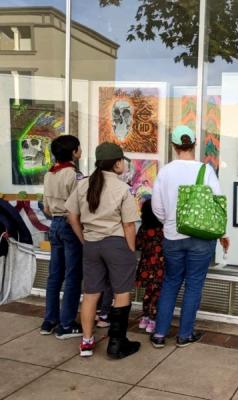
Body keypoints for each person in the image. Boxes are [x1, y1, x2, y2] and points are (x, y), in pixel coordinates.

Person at [149, 125, 229, 348]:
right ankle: (185, 334)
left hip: (173, 236)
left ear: (174, 146)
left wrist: (170, 223)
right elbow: (217, 203)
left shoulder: (165, 171)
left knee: (171, 282)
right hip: (201, 237)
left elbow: (157, 207)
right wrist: (222, 233)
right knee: (194, 284)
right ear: (194, 144)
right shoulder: (206, 170)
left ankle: (159, 334)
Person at [65, 142, 140, 359]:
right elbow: (129, 225)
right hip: (117, 244)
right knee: (121, 293)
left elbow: (71, 215)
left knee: (90, 294)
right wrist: (131, 250)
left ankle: (87, 342)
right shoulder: (123, 189)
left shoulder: (83, 184)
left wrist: (84, 238)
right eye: (122, 161)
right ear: (117, 164)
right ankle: (117, 344)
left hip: (91, 244)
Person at [40, 135, 84, 339]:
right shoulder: (74, 175)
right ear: (74, 152)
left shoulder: (49, 174)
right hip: (69, 225)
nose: (80, 151)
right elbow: (79, 206)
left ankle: (49, 320)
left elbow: (47, 208)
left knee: (54, 275)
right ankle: (66, 325)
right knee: (73, 275)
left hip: (54, 224)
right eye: (79, 148)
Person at [135, 198, 164, 333]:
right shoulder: (161, 229)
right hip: (159, 265)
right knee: (157, 293)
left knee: (147, 292)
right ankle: (153, 320)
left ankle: (144, 317)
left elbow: (138, 245)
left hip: (146, 265)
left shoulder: (143, 228)